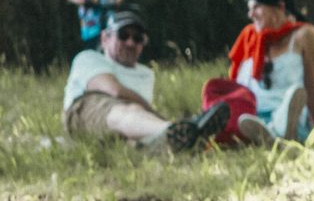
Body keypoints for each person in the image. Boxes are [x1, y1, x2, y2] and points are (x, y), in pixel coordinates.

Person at [59, 11, 229, 149]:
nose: (130, 42)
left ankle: (180, 140)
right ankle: (175, 129)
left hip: (125, 123)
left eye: (137, 38)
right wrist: (160, 118)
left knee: (136, 140)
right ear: (105, 38)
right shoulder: (89, 58)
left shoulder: (145, 74)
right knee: (126, 110)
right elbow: (114, 90)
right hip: (86, 110)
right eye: (123, 35)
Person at [200, 0, 314, 144]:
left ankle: (278, 131)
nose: (250, 14)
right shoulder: (250, 37)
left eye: (256, 7)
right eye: (249, 9)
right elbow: (237, 84)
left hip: (286, 110)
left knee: (291, 99)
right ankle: (267, 135)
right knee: (220, 95)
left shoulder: (304, 35)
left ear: (280, 6)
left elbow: (311, 87)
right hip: (251, 115)